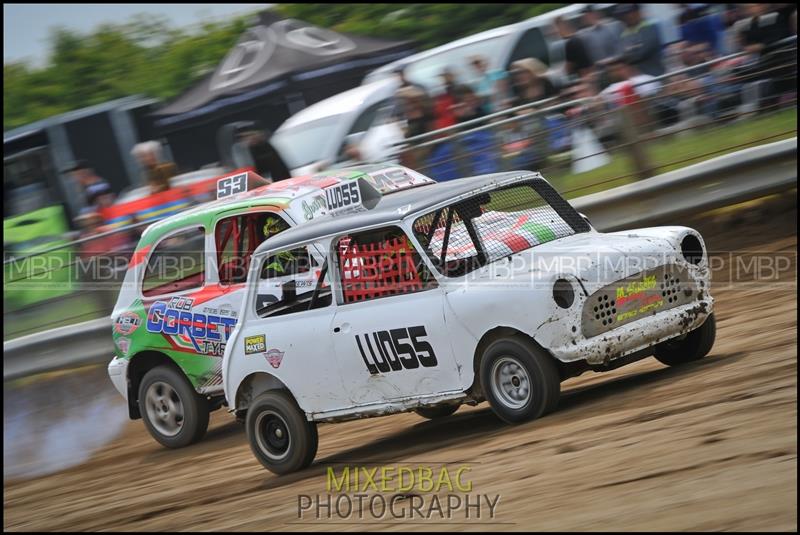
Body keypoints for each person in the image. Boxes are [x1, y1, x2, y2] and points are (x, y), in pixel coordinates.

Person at [615, 3, 666, 76]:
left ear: (638, 12)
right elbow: (620, 53)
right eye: (623, 15)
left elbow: (641, 52)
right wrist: (633, 49)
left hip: (655, 74)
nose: (626, 17)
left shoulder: (650, 27)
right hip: (636, 78)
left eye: (628, 13)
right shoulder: (623, 34)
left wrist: (627, 52)